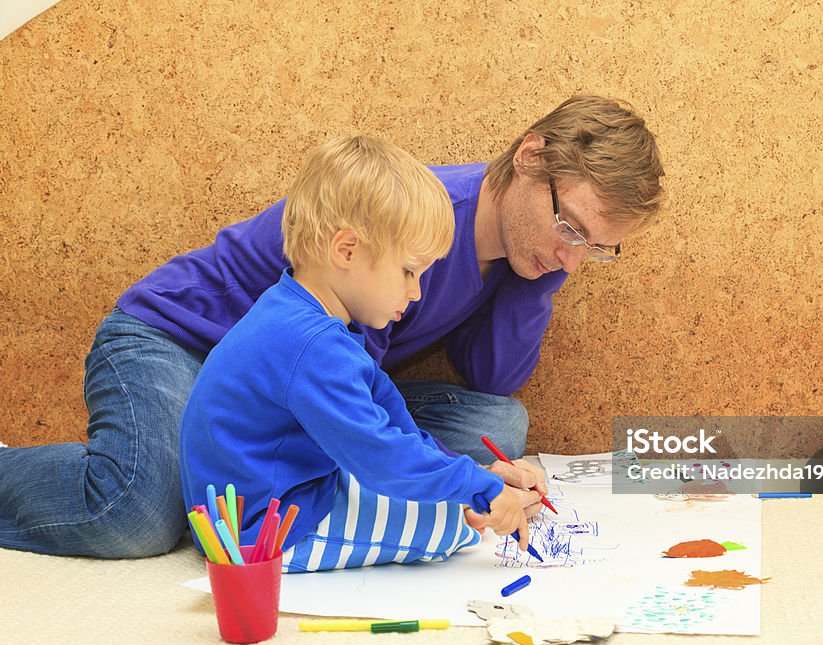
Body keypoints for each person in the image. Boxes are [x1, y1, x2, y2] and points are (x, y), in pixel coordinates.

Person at [0, 95, 664, 559]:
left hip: (302, 384)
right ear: (529, 158)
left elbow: (490, 377)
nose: (574, 254)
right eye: (570, 225)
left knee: (495, 424)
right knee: (136, 514)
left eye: (595, 246)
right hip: (175, 342)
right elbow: (346, 386)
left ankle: (247, 475)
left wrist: (545, 267)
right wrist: (467, 484)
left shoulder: (519, 255)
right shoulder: (396, 226)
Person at [181, 135, 538, 570]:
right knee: (449, 530)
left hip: (283, 492)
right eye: (409, 271)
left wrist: (474, 478)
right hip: (262, 530)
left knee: (440, 500)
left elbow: (392, 423)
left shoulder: (306, 316)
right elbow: (379, 457)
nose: (416, 291)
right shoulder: (310, 343)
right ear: (346, 250)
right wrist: (476, 490)